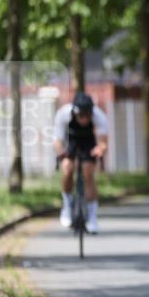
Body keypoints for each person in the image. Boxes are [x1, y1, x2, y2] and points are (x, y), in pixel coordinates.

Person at [54, 92, 109, 233]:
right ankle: (66, 205)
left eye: (87, 116)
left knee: (88, 173)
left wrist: (100, 149)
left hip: (88, 142)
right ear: (75, 112)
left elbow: (103, 142)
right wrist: (61, 152)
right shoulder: (63, 114)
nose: (84, 119)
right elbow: (58, 140)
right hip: (70, 141)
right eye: (80, 116)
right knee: (67, 168)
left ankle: (92, 217)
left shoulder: (99, 116)